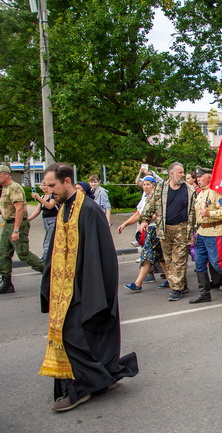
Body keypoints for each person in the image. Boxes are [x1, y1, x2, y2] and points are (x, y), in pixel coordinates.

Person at [39, 162, 138, 412]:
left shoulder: (89, 210)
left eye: (52, 185)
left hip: (84, 288)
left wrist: (93, 294)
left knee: (72, 337)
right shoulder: (65, 207)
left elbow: (99, 256)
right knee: (84, 337)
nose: (48, 191)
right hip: (66, 288)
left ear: (67, 181)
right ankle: (104, 376)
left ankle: (81, 389)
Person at [140, 162, 196, 301]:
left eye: (183, 172)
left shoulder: (189, 189)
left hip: (182, 229)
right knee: (169, 260)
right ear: (172, 174)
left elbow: (195, 209)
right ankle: (182, 285)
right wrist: (145, 220)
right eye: (180, 172)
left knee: (179, 260)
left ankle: (175, 289)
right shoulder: (161, 188)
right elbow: (150, 204)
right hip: (164, 230)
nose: (183, 175)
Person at [189, 166, 222, 304]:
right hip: (202, 232)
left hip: (215, 232)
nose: (198, 179)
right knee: (199, 263)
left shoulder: (216, 192)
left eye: (201, 177)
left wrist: (210, 213)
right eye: (197, 177)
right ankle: (204, 294)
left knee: (217, 263)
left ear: (209, 177)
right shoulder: (200, 193)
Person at [0, 165, 44, 294]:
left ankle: (50, 271)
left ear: (6, 174)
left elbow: (19, 209)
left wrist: (16, 230)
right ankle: (7, 283)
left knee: (23, 254)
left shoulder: (14, 187)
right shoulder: (4, 188)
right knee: (3, 254)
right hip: (8, 224)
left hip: (17, 224)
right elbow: (6, 207)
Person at [119, 176, 168, 292]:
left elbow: (157, 214)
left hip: (156, 229)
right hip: (149, 230)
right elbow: (138, 214)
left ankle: (139, 283)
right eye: (144, 184)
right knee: (156, 257)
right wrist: (125, 224)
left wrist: (146, 222)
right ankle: (170, 280)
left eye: (148, 184)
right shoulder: (145, 197)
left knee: (152, 256)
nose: (145, 187)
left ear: (154, 185)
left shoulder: (158, 197)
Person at [28, 181, 59, 261]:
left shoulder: (53, 196)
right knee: (51, 239)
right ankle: (51, 257)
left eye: (45, 185)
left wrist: (38, 198)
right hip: (46, 221)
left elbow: (50, 206)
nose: (43, 187)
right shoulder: (42, 197)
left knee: (48, 239)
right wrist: (29, 219)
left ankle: (45, 258)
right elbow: (37, 210)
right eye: (42, 185)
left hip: (54, 220)